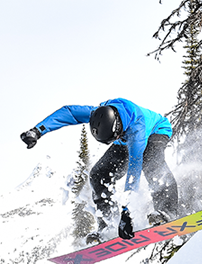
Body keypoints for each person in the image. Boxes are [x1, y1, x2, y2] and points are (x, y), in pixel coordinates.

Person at [20, 98, 179, 243]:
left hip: (155, 131)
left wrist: (126, 211)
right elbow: (68, 112)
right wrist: (38, 130)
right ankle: (109, 224)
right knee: (99, 175)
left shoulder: (137, 129)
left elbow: (134, 169)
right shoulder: (99, 113)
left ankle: (167, 211)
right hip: (124, 139)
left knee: (151, 161)